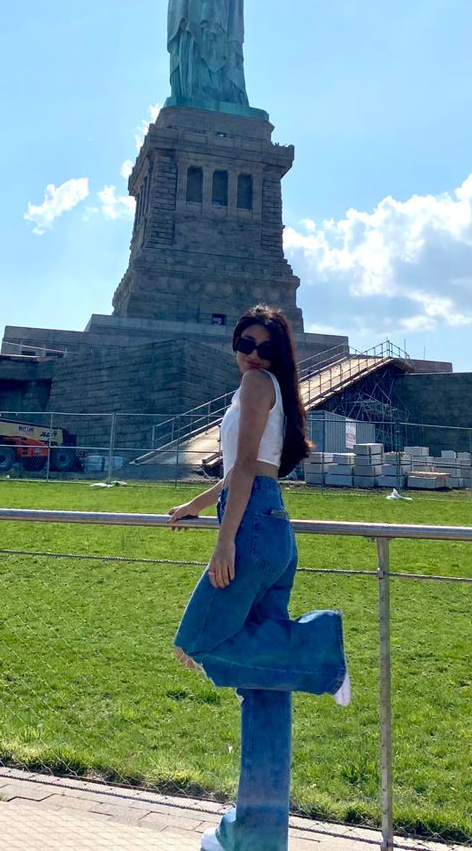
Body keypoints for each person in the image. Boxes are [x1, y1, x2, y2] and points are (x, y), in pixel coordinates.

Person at [168, 305, 350, 851]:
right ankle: (255, 836)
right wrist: (200, 505)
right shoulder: (268, 388)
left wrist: (223, 539)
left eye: (264, 347)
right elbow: (243, 468)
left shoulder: (254, 385)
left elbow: (244, 465)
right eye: (244, 342)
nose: (251, 353)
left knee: (196, 639)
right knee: (265, 691)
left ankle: (320, 648)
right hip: (268, 522)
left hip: (249, 527)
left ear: (275, 357)